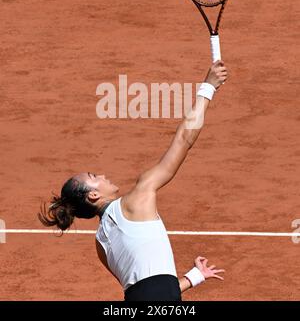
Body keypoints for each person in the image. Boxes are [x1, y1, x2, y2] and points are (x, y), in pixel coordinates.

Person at [39, 60, 227, 301]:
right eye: (95, 177)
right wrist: (208, 87)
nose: (103, 175)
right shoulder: (139, 196)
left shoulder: (101, 245)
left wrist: (192, 278)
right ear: (93, 195)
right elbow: (184, 139)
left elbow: (144, 290)